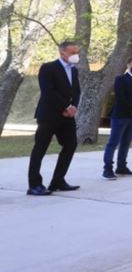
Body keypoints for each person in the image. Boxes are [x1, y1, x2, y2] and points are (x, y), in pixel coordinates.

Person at [27, 40, 82, 195]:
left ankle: (58, 181)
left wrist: (73, 107)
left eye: (77, 52)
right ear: (62, 52)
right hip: (49, 115)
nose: (75, 56)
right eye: (72, 52)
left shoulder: (74, 70)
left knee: (70, 145)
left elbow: (76, 91)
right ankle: (34, 185)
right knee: (40, 148)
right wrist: (66, 106)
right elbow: (48, 91)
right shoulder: (48, 68)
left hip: (68, 116)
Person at [102, 56, 132, 180]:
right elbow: (121, 97)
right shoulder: (120, 79)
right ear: (128, 65)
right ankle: (107, 169)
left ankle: (121, 167)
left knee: (126, 143)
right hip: (121, 116)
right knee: (113, 143)